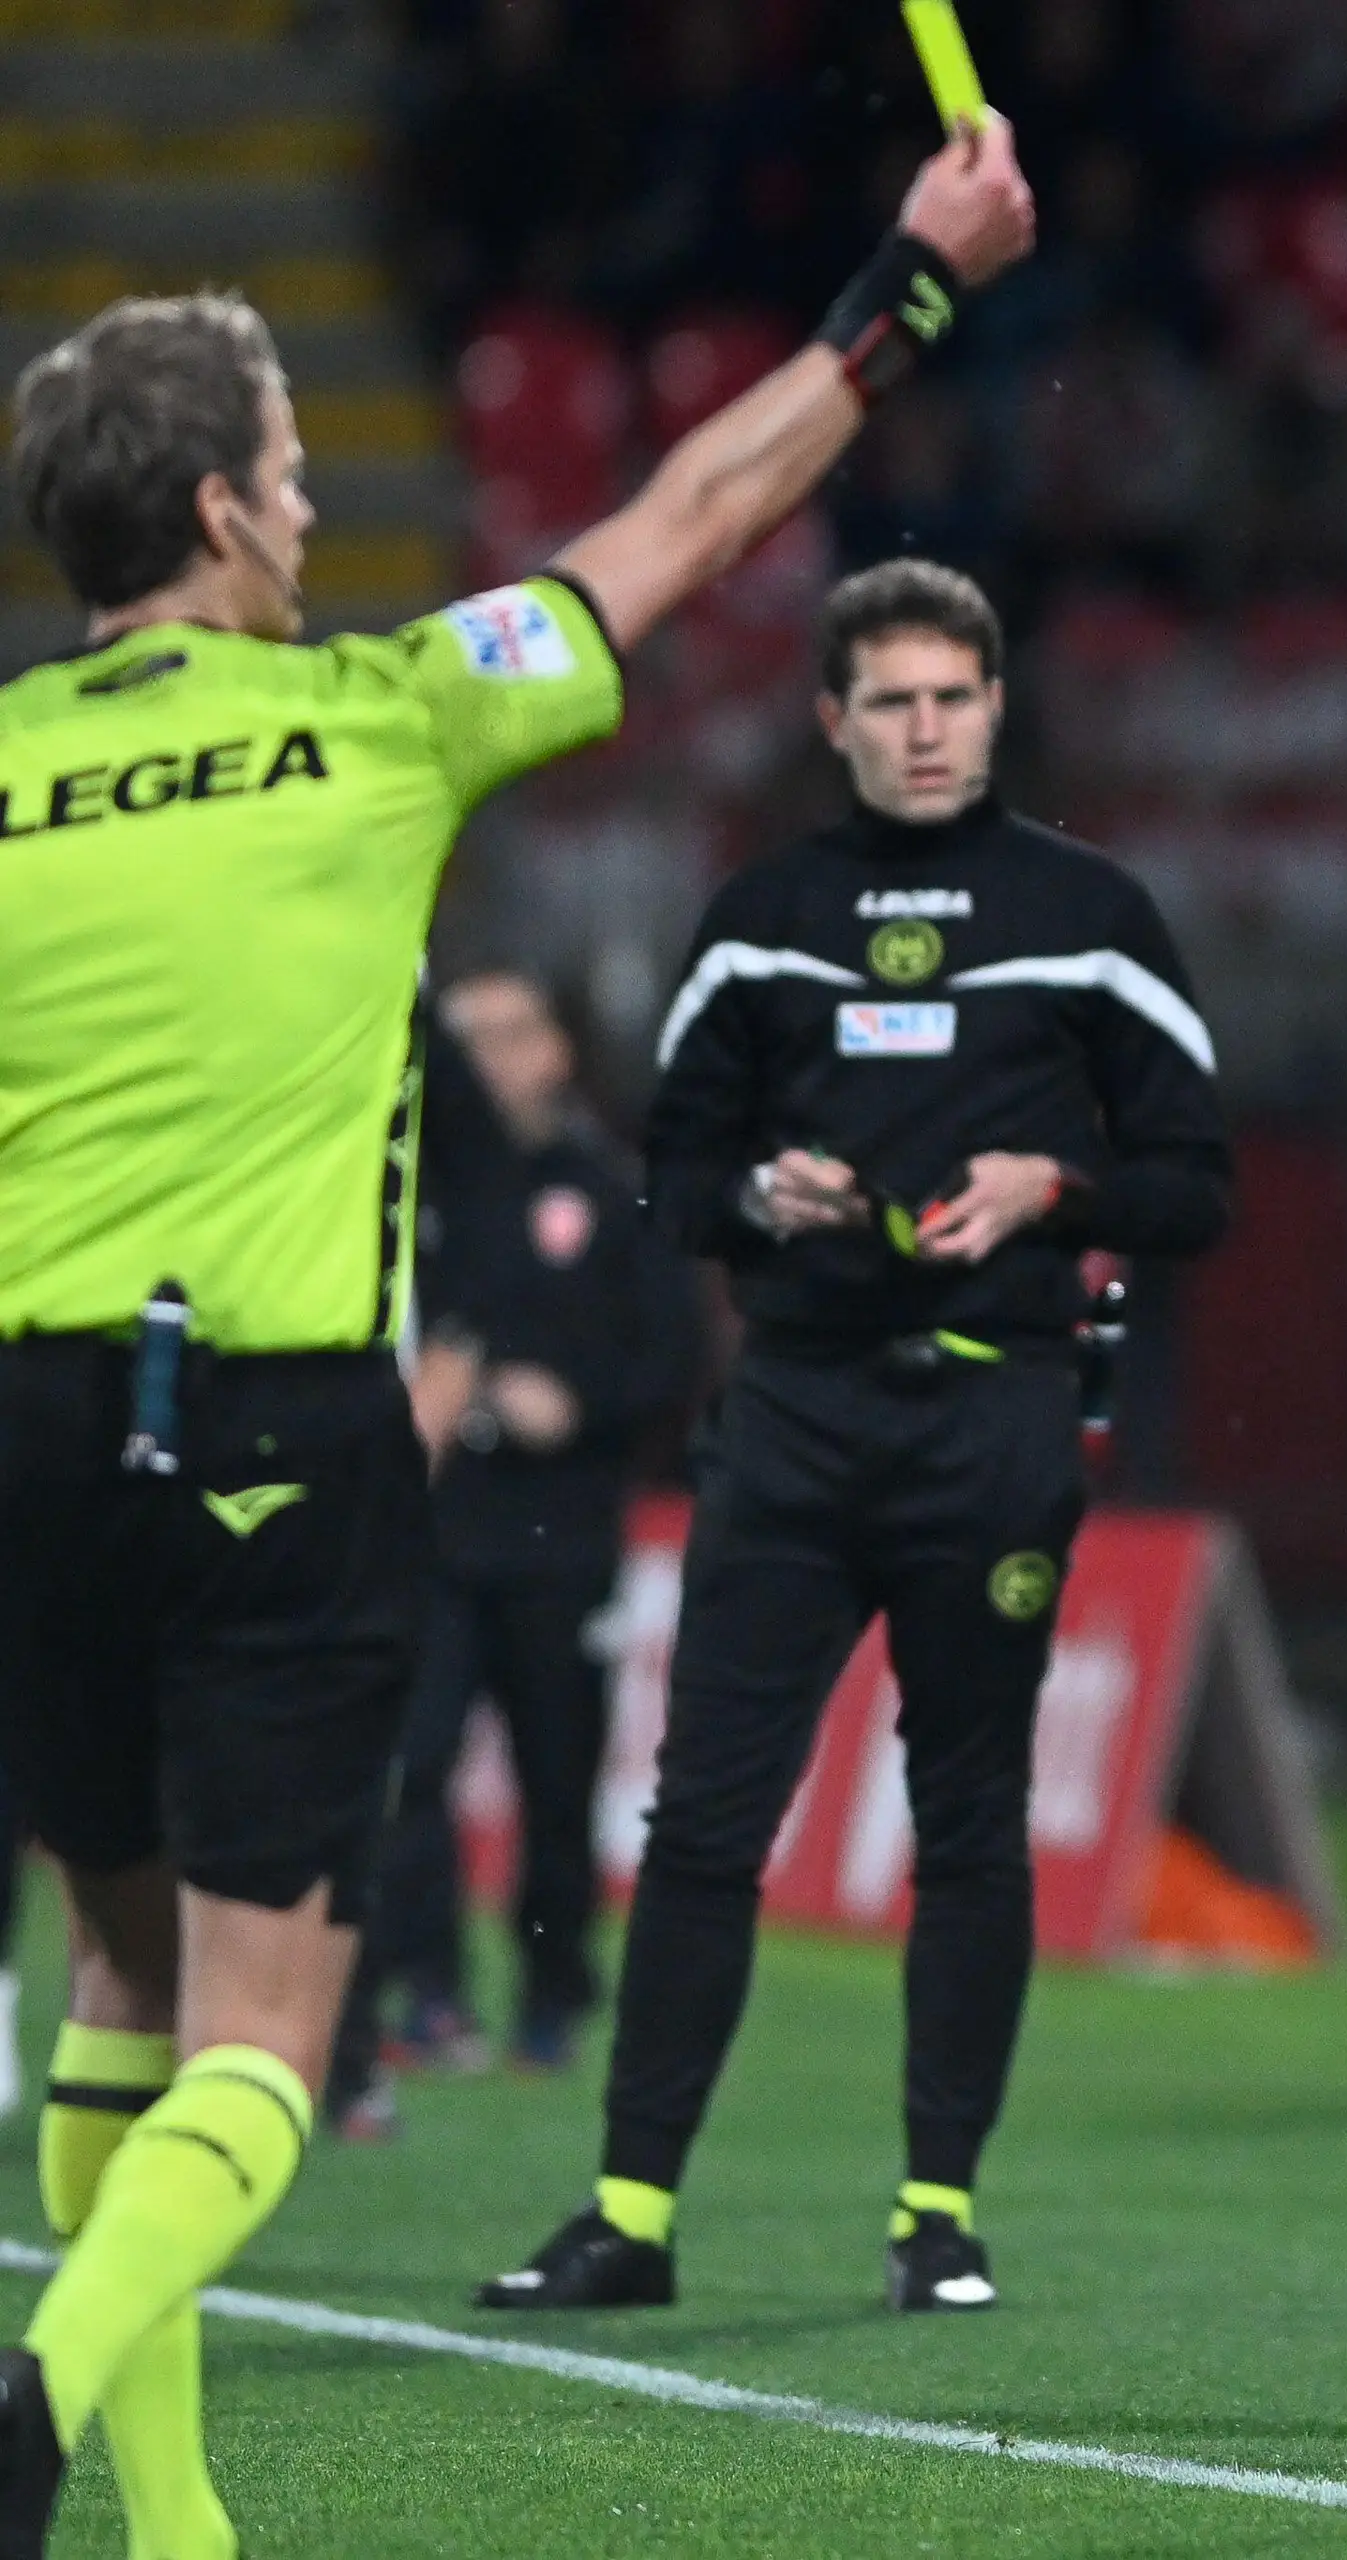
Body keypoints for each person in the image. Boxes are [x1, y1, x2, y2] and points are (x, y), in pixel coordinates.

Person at [0, 114, 1037, 2555]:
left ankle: (176, 2523)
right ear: (230, 512)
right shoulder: (384, 708)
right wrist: (912, 285)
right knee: (268, 2028)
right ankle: (31, 2403)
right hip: (272, 1421)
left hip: (23, 1424)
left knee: (117, 1970)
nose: (304, 502)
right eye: (287, 469)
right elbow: (690, 514)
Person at [475, 556, 1229, 2318]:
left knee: (968, 1819)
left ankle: (937, 2215)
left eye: (953, 697)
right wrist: (758, 1193)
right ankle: (630, 2215)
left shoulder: (1092, 916)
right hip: (799, 1418)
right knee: (702, 1816)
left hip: (996, 1414)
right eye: (891, 700)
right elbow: (670, 1178)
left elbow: (1198, 1185)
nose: (925, 728)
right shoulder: (762, 920)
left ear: (996, 706)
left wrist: (1055, 1188)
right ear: (834, 720)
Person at [381, 973, 702, 2072]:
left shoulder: (612, 1194)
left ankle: (552, 1990)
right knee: (412, 1764)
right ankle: (428, 1987)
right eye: (466, 1039)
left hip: (559, 1533)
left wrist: (575, 1405)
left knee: (557, 1777)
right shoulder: (405, 1192)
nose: (487, 1058)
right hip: (431, 1529)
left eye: (511, 1033)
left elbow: (672, 1359)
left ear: (556, 1050)